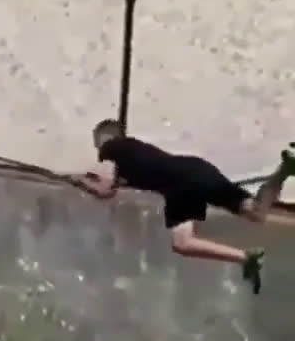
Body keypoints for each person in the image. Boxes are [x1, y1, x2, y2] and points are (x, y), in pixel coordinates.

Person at [68, 119, 295, 294]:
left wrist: (76, 181)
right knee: (256, 211)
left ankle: (247, 258)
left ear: (103, 138)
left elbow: (105, 191)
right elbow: (116, 182)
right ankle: (284, 171)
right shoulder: (134, 152)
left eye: (97, 143)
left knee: (182, 243)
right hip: (198, 168)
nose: (97, 151)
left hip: (181, 183)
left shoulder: (112, 147)